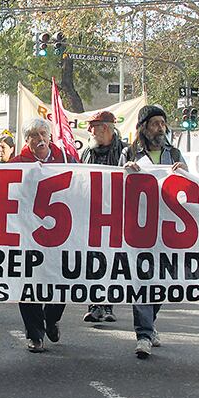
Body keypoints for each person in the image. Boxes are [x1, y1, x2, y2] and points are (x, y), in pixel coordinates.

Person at [120, 106, 188, 359]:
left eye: (163, 123)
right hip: (139, 227)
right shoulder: (129, 153)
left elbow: (187, 191)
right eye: (155, 123)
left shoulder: (175, 153)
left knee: (160, 281)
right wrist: (126, 171)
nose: (161, 128)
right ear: (143, 128)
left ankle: (151, 322)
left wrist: (185, 173)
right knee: (142, 280)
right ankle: (144, 335)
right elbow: (116, 186)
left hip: (168, 226)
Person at [8, 118, 76, 352]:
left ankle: (52, 317)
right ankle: (35, 334)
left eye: (43, 134)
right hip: (28, 232)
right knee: (29, 282)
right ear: (27, 140)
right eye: (34, 135)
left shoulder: (67, 160)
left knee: (63, 278)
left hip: (62, 233)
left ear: (50, 137)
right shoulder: (17, 163)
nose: (40, 139)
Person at [78, 111, 127, 325]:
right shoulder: (87, 152)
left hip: (117, 213)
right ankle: (94, 305)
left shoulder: (126, 151)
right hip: (92, 213)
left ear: (105, 128)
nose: (89, 131)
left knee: (112, 260)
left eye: (93, 127)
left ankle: (108, 305)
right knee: (93, 260)